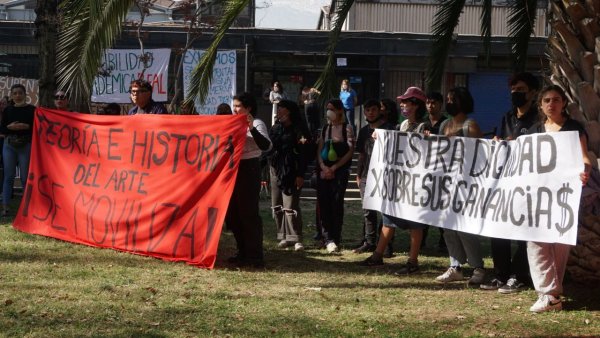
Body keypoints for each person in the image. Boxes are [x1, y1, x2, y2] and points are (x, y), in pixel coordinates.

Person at [525, 85, 591, 312]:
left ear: (563, 103)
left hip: (564, 195)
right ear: (540, 105)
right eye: (546, 100)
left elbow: (584, 158)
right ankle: (549, 293)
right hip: (537, 195)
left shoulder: (574, 129)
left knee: (559, 243)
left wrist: (584, 171)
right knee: (535, 240)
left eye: (555, 100)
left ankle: (551, 295)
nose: (551, 104)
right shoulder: (534, 130)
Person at [480, 72, 539, 293]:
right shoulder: (506, 118)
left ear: (533, 93)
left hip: (529, 185)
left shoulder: (538, 120)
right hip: (505, 184)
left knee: (524, 233)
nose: (516, 94)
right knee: (499, 229)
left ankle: (519, 275)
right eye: (513, 91)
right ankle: (500, 274)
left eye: (521, 90)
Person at [360, 87, 429, 273]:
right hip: (400, 181)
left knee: (415, 221)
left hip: (417, 182)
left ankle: (413, 261)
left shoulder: (425, 127)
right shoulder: (403, 125)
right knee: (389, 217)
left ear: (416, 105)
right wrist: (380, 136)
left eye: (406, 102)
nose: (402, 105)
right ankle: (377, 255)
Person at [434, 87, 486, 284]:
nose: (449, 102)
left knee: (465, 227)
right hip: (446, 183)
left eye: (452, 99)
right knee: (447, 226)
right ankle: (455, 265)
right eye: (447, 98)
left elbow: (481, 155)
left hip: (466, 184)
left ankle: (477, 267)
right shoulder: (444, 125)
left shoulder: (470, 126)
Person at [226, 92, 272, 268]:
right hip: (233, 169)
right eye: (234, 105)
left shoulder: (257, 123)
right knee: (233, 213)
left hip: (249, 168)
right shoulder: (230, 122)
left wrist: (251, 127)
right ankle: (242, 251)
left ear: (248, 108)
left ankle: (255, 256)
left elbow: (266, 146)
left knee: (248, 213)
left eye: (238, 106)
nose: (235, 109)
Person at [268, 99, 313, 252]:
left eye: (282, 108)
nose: (279, 111)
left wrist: (300, 174)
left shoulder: (300, 130)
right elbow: (268, 148)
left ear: (289, 111)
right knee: (277, 204)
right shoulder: (276, 128)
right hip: (275, 169)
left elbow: (304, 154)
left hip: (292, 170)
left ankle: (296, 238)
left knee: (291, 205)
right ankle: (283, 236)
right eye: (278, 108)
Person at [352, 99, 394, 254]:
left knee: (386, 211)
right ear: (364, 113)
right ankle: (369, 242)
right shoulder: (363, 131)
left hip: (385, 175)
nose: (371, 113)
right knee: (368, 211)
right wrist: (358, 175)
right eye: (368, 110)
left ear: (379, 111)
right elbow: (361, 155)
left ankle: (386, 244)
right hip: (366, 176)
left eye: (374, 110)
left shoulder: (390, 129)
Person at [316, 98, 355, 253]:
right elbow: (319, 150)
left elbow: (350, 151)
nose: (329, 111)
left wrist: (335, 167)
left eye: (332, 108)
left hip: (339, 172)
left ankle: (335, 237)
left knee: (336, 204)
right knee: (323, 204)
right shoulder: (325, 129)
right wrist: (324, 167)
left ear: (340, 110)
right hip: (324, 171)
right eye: (327, 108)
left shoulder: (347, 128)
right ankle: (326, 238)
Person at [0, 84, 35, 216]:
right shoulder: (8, 110)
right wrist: (10, 127)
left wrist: (26, 126)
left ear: (25, 94)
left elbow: (36, 128)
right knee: (9, 176)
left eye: (20, 93)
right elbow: (3, 129)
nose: (17, 95)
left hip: (25, 146)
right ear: (12, 95)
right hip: (9, 145)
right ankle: (5, 206)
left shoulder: (32, 109)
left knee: (25, 178)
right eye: (14, 93)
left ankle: (27, 206)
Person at [420, 91, 447, 251]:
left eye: (434, 102)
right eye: (428, 102)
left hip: (442, 172)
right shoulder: (422, 124)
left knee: (442, 209)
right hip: (425, 171)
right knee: (424, 207)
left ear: (440, 104)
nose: (431, 105)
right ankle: (421, 240)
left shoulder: (446, 124)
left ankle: (444, 242)